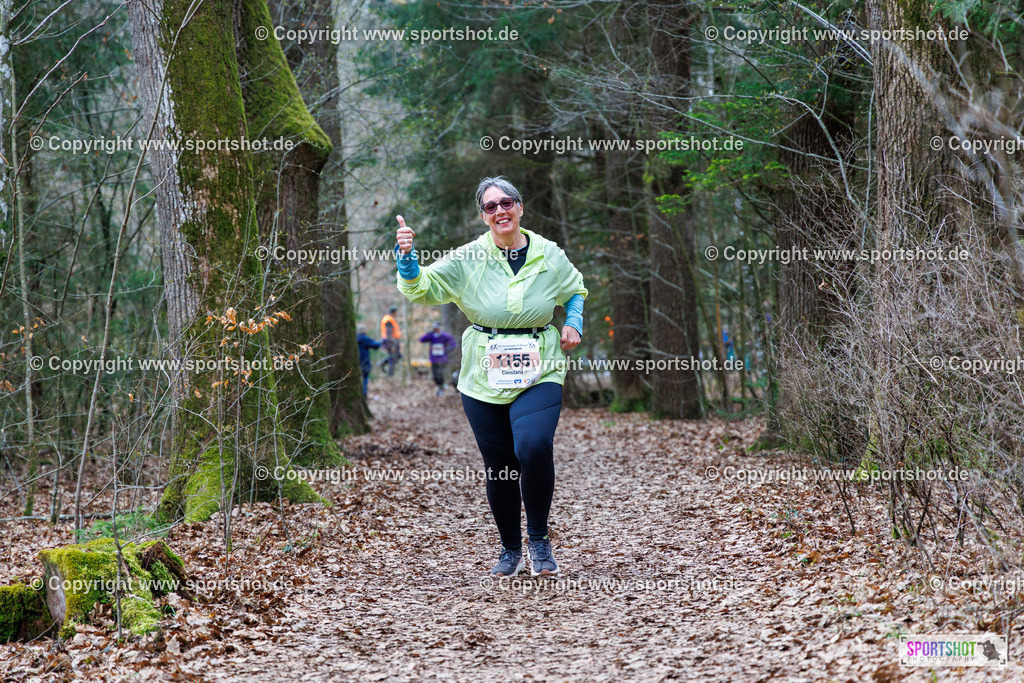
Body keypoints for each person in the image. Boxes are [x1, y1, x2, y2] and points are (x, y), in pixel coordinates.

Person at [394, 176, 586, 578]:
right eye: (490, 206)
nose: (500, 210)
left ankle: (538, 540)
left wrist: (573, 321)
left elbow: (574, 289)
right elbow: (422, 288)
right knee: (499, 464)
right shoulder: (467, 258)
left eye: (507, 202)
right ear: (483, 216)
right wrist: (408, 260)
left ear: (520, 207)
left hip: (541, 365)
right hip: (484, 371)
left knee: (533, 447)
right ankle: (510, 549)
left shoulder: (549, 254)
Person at [419, 322, 457, 396]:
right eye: (434, 328)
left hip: (442, 359)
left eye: (437, 328)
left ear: (440, 328)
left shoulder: (444, 336)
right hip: (434, 359)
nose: (436, 330)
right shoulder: (431, 336)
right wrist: (428, 334)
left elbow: (453, 343)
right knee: (435, 376)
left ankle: (442, 388)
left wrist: (448, 349)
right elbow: (421, 339)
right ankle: (441, 386)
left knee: (440, 374)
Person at [356, 324, 382, 395]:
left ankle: (360, 393)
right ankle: (364, 394)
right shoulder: (365, 339)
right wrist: (383, 341)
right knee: (365, 378)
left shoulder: (354, 338)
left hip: (356, 362)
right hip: (364, 361)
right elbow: (375, 345)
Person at [379, 305, 402, 376]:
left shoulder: (390, 318)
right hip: (391, 341)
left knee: (397, 356)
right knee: (393, 357)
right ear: (394, 312)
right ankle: (390, 374)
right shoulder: (388, 320)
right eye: (396, 312)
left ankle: (383, 363)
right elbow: (388, 333)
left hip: (393, 341)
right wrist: (390, 344)